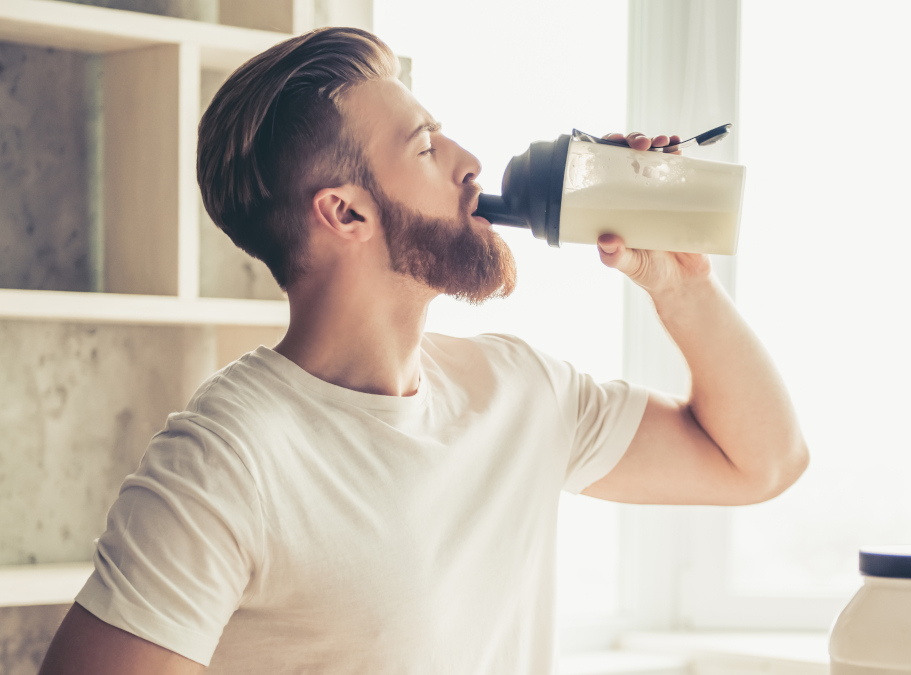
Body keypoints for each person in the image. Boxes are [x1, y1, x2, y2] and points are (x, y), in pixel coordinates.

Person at [38, 27, 807, 675]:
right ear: (346, 210)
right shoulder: (226, 464)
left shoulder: (520, 392)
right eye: (427, 146)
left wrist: (680, 285)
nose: (470, 161)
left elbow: (763, 462)